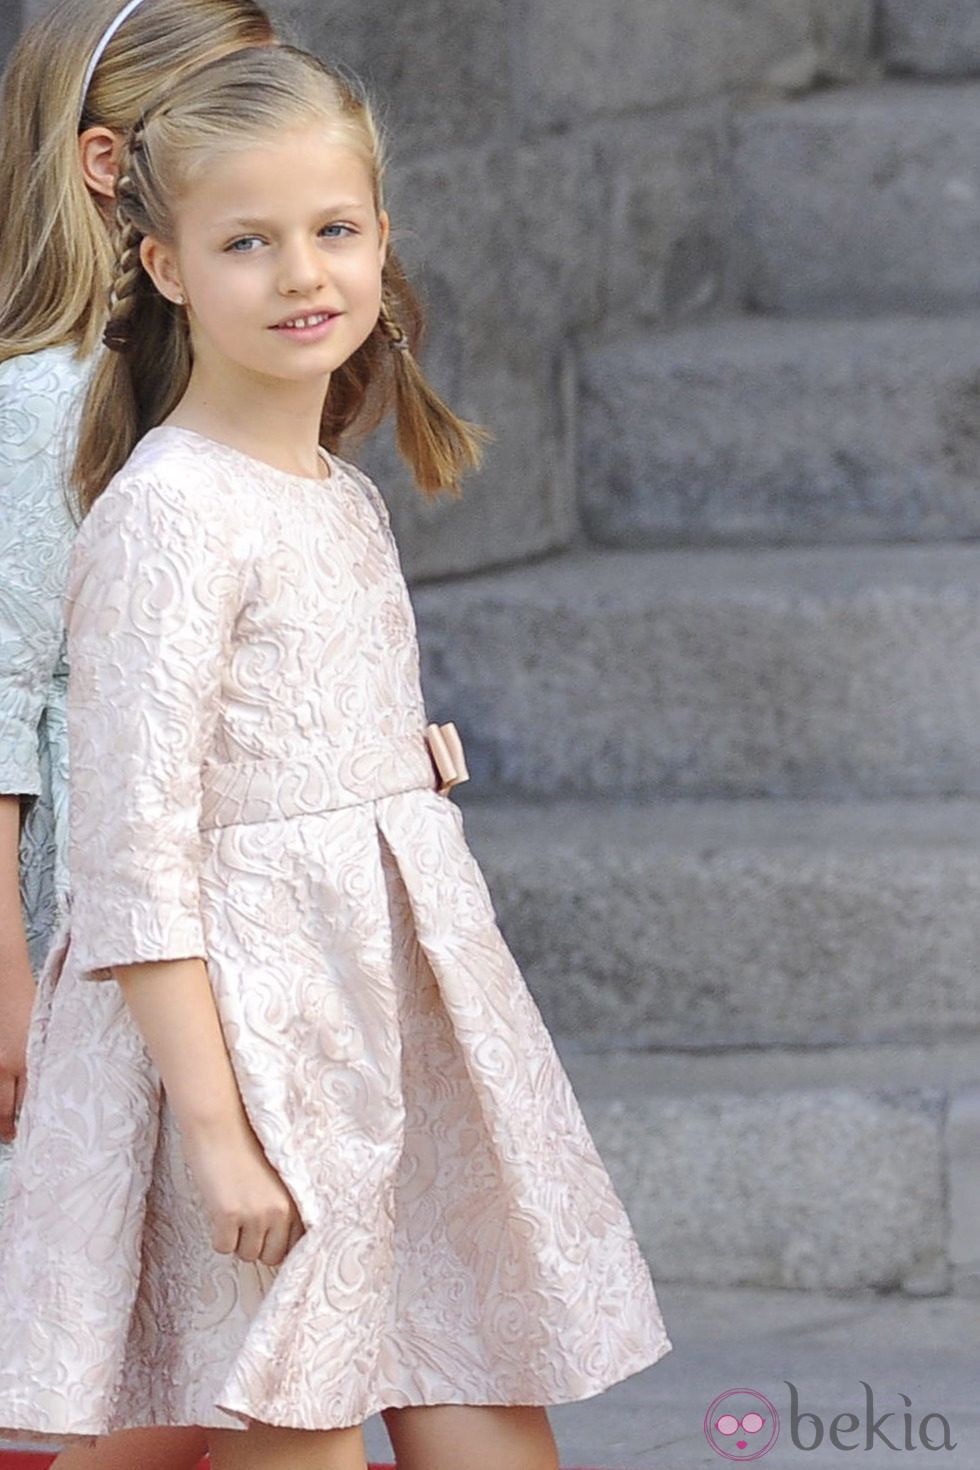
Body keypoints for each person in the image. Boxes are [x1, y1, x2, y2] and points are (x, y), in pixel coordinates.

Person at [0, 44, 671, 1470]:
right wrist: (214, 1129)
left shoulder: (337, 499)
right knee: (267, 1417)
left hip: (395, 1029)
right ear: (166, 266)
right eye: (247, 240)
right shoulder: (169, 516)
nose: (302, 271)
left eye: (334, 229)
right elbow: (130, 854)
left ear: (381, 238)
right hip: (246, 1046)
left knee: (472, 1384)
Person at [0, 2, 275, 1468]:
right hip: (81, 948)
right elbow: (2, 700)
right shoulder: (44, 403)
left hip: (213, 940)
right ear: (114, 168)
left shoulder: (212, 396)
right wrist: (6, 985)